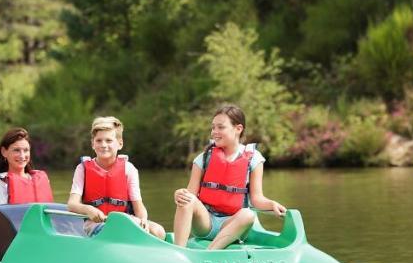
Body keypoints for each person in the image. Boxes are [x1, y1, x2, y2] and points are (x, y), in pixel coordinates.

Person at [172, 104, 286, 249]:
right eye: (213, 127)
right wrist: (179, 194)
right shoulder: (204, 158)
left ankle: (210, 253)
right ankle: (178, 251)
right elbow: (190, 194)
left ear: (238, 129)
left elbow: (256, 199)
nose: (214, 132)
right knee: (187, 199)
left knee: (248, 214)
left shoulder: (254, 158)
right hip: (206, 223)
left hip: (234, 224)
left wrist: (272, 205)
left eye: (221, 127)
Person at [66, 115, 166, 238]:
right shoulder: (82, 169)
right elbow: (72, 204)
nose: (103, 145)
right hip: (95, 224)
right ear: (92, 144)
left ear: (120, 144)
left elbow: (138, 206)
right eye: (98, 140)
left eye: (108, 140)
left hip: (124, 220)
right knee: (116, 231)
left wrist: (143, 220)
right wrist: (89, 210)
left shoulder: (129, 169)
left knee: (158, 231)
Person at [0, 127, 53, 205]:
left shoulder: (42, 180)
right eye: (16, 150)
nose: (22, 156)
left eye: (26, 150)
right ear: (4, 152)